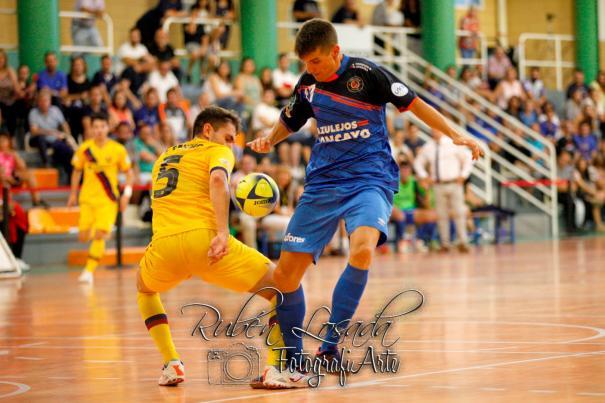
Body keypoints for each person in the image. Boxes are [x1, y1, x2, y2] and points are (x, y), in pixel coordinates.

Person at [247, 19, 482, 380]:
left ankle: (329, 345)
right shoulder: (308, 85)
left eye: (316, 62)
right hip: (323, 184)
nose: (311, 70)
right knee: (285, 274)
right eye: (306, 64)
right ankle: (294, 361)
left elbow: (416, 105)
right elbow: (290, 120)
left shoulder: (367, 74)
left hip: (369, 180)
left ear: (335, 52)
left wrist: (455, 134)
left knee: (362, 249)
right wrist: (269, 140)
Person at [136, 106, 311, 388]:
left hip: (164, 246)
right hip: (207, 244)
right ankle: (276, 369)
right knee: (284, 286)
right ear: (208, 130)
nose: (232, 145)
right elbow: (218, 179)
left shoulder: (164, 157)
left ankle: (171, 363)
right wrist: (221, 232)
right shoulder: (216, 151)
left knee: (144, 288)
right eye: (229, 137)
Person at [67, 112, 134, 284]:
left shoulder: (118, 149)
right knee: (83, 236)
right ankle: (92, 246)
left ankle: (89, 270)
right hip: (87, 199)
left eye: (102, 126)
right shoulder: (85, 149)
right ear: (91, 128)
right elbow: (76, 171)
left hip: (108, 200)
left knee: (101, 234)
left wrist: (126, 195)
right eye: (95, 127)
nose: (99, 130)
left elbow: (129, 174)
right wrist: (73, 194)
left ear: (108, 128)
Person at [414, 129, 473, 252]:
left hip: (454, 182)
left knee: (459, 213)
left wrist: (464, 174)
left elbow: (468, 157)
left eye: (436, 129)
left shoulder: (452, 143)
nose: (435, 131)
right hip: (438, 184)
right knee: (441, 215)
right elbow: (418, 163)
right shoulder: (428, 147)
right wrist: (424, 176)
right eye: (432, 129)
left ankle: (463, 242)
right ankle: (445, 244)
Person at [28, 89, 75, 177]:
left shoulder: (55, 110)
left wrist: (68, 136)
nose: (44, 103)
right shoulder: (33, 113)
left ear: (50, 101)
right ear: (38, 102)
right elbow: (34, 131)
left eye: (46, 100)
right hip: (38, 140)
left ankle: (71, 173)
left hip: (54, 140)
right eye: (41, 101)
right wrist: (51, 132)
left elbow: (64, 125)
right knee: (41, 139)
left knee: (66, 149)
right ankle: (46, 164)